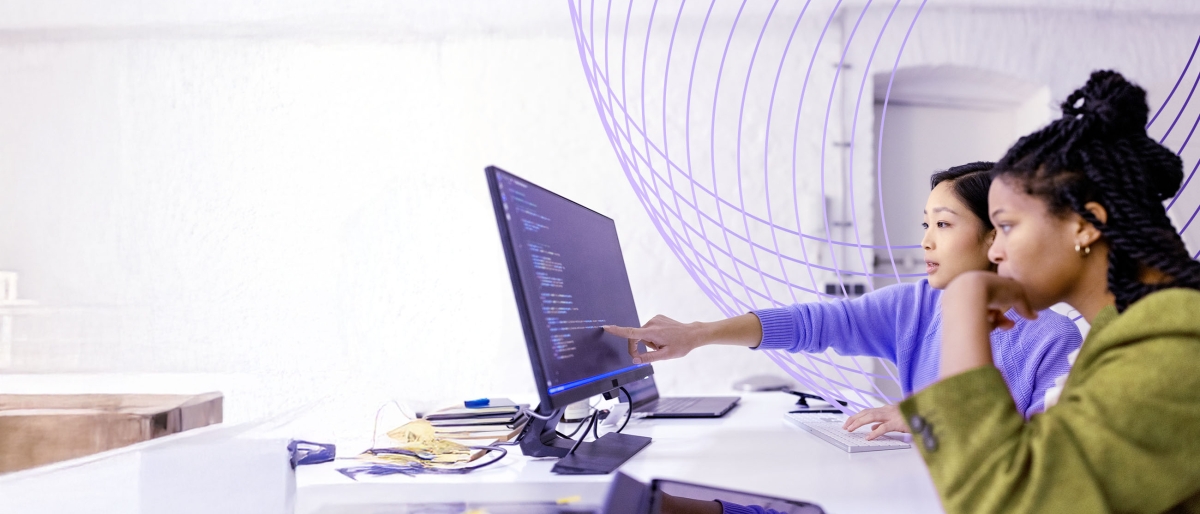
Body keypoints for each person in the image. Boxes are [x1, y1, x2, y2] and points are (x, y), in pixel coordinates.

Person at [895, 70, 1200, 512]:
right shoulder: (1127, 330)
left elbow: (1007, 501)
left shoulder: (1172, 346)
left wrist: (962, 301)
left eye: (1006, 226)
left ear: (1084, 223)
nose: (994, 251)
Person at [604, 163, 1083, 440]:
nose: (927, 242)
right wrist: (699, 334)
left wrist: (922, 418)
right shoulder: (915, 306)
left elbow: (1043, 460)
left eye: (944, 224)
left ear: (993, 237)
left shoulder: (1052, 340)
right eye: (925, 225)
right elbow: (815, 324)